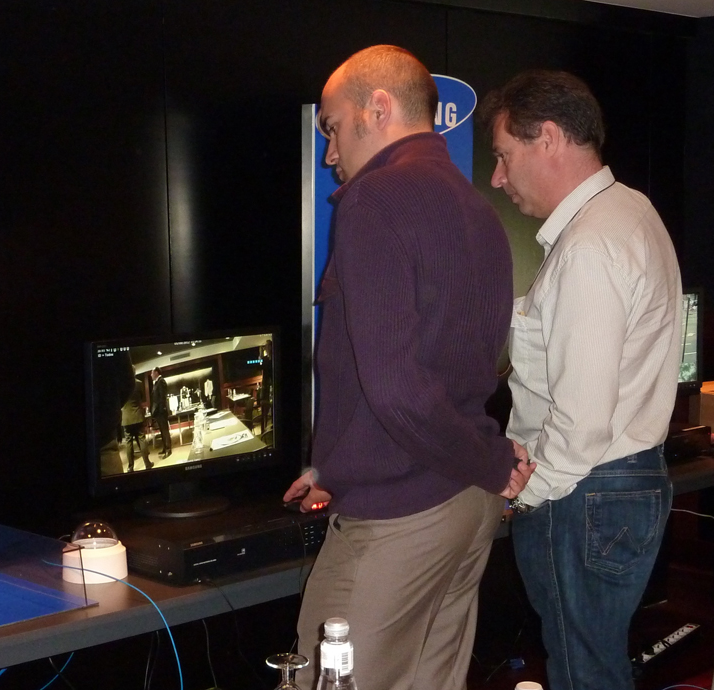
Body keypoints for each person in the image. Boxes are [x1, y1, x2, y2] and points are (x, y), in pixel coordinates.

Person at [283, 45, 533, 690]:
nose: (330, 154)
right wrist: (335, 463)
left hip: (402, 518)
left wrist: (490, 462)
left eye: (333, 128)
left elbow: (398, 390)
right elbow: (442, 369)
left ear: (379, 108)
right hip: (463, 504)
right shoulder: (476, 208)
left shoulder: (375, 200)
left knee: (326, 682)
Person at [481, 70, 682, 690]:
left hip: (582, 492)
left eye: (503, 156)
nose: (497, 178)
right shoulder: (629, 211)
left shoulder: (590, 245)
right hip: (616, 484)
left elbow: (580, 421)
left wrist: (522, 497)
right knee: (593, 665)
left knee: (583, 672)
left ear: (547, 138)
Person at [121, 378, 153, 471]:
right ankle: (147, 464)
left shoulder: (120, 384)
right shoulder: (138, 383)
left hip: (126, 418)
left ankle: (130, 467)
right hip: (138, 416)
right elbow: (141, 397)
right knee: (142, 439)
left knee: (128, 442)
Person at [149, 368, 172, 458]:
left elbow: (162, 398)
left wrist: (161, 410)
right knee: (162, 430)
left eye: (152, 373)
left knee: (165, 430)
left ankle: (168, 449)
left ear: (156, 373)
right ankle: (165, 448)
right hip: (158, 412)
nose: (151, 375)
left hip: (161, 411)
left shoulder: (161, 381)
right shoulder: (156, 382)